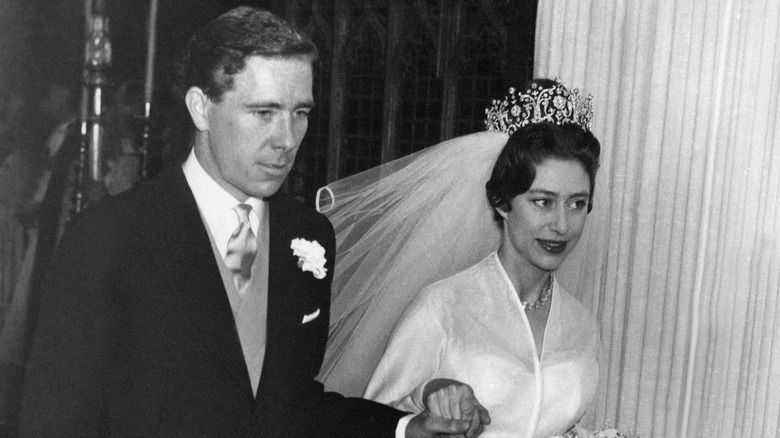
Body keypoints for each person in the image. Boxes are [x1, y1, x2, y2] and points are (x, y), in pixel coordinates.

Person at [18, 7, 487, 438]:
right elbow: (56, 419)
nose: (286, 139)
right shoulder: (109, 237)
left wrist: (408, 429)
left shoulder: (308, 236)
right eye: (263, 113)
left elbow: (287, 405)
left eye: (299, 113)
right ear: (201, 108)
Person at [317, 78, 602, 437]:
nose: (561, 225)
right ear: (502, 203)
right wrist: (430, 400)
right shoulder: (441, 308)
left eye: (577, 204)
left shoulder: (583, 325)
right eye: (542, 202)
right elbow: (379, 422)